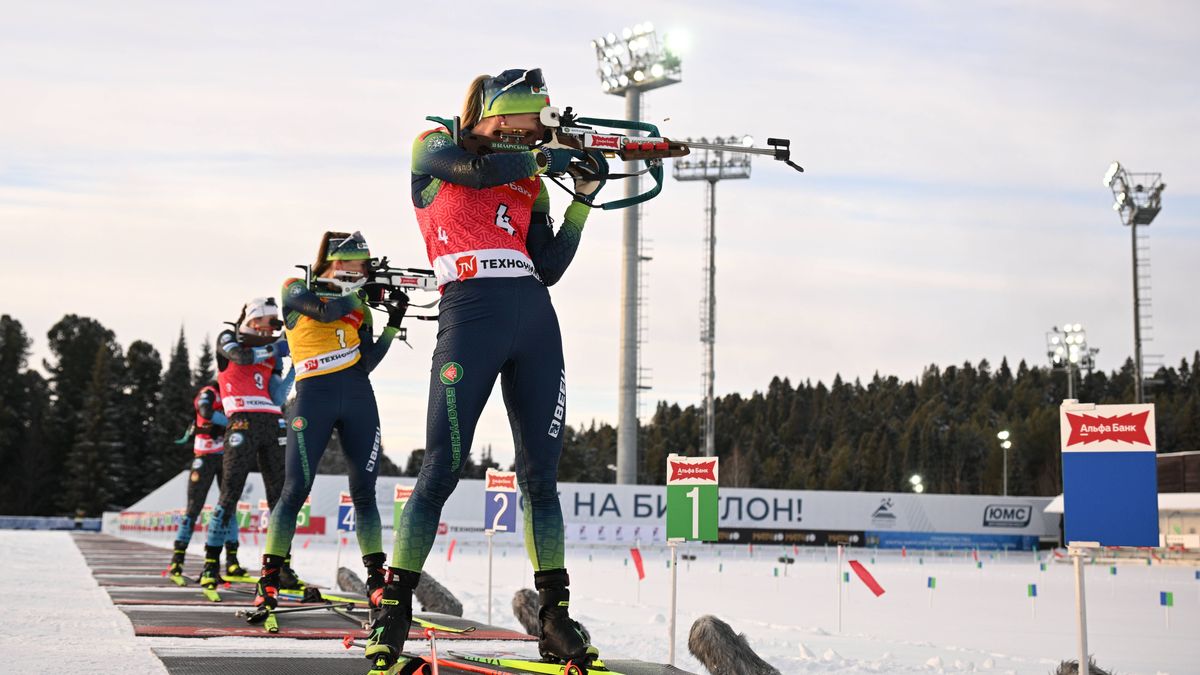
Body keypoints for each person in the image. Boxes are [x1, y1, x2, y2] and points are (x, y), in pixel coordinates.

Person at [365, 68, 605, 673]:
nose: (544, 129)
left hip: (535, 317)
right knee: (441, 467)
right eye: (536, 118)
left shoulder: (533, 176)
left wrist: (581, 199)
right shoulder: (435, 142)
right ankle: (393, 607)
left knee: (541, 478)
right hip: (469, 311)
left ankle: (554, 614)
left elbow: (546, 265)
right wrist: (542, 159)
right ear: (501, 114)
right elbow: (474, 172)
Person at [253, 231, 407, 616]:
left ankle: (375, 579)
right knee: (295, 489)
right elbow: (323, 312)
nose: (363, 273)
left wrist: (394, 320)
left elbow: (367, 361)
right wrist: (360, 292)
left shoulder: (361, 307)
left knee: (365, 493)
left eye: (367, 269)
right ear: (337, 263)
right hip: (312, 396)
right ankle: (269, 578)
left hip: (358, 396)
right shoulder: (296, 287)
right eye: (358, 266)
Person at [198, 298, 294, 589]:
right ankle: (211, 565)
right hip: (240, 421)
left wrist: (295, 368)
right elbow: (239, 357)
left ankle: (282, 568)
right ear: (254, 321)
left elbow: (277, 396)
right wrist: (277, 347)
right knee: (230, 494)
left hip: (272, 421)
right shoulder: (229, 337)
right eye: (271, 322)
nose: (275, 328)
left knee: (281, 497)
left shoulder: (272, 352)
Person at [166, 380, 239, 578]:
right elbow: (205, 411)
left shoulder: (232, 394)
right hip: (204, 457)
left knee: (229, 507)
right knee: (193, 508)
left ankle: (232, 560)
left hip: (225, 457)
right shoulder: (210, 391)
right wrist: (231, 422)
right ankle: (177, 559)